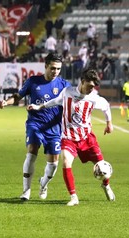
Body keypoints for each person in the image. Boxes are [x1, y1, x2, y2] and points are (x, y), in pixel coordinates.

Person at [27, 69, 115, 206]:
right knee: (66, 162)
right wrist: (39, 107)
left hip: (87, 138)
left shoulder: (94, 98)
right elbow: (55, 101)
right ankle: (73, 197)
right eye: (90, 86)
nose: (92, 89)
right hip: (68, 138)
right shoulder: (68, 92)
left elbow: (106, 107)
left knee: (102, 166)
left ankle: (106, 185)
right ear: (83, 81)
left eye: (94, 87)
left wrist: (109, 123)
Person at [0, 53, 71, 201]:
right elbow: (18, 96)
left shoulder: (64, 85)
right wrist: (6, 102)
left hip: (54, 128)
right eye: (52, 68)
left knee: (54, 163)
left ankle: (44, 183)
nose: (55, 72)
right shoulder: (33, 81)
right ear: (46, 66)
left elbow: (73, 101)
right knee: (32, 151)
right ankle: (26, 191)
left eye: (58, 69)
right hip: (35, 124)